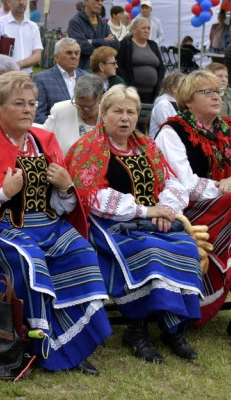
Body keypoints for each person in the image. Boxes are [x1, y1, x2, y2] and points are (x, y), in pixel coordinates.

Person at [0, 72, 111, 374]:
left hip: (47, 224)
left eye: (32, 103)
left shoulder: (43, 140)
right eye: (18, 103)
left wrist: (66, 186)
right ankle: (36, 343)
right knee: (30, 261)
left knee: (83, 253)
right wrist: (2, 193)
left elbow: (60, 205)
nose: (27, 110)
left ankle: (71, 343)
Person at [67, 85, 204, 362]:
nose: (125, 118)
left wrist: (165, 209)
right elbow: (91, 195)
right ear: (103, 114)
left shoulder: (146, 146)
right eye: (117, 111)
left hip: (154, 220)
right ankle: (136, 328)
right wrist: (144, 211)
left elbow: (172, 181)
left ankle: (172, 326)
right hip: (108, 224)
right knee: (149, 252)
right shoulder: (89, 148)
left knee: (186, 247)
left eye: (131, 112)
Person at [154, 71, 231, 349]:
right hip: (193, 214)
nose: (215, 96)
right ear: (188, 99)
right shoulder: (172, 131)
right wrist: (226, 188)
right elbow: (183, 184)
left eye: (218, 91)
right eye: (207, 92)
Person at [0, 0, 42, 72]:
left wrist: (17, 65)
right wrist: (9, 67)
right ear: (8, 1)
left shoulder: (33, 26)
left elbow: (37, 55)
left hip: (26, 76)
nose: (21, 2)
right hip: (5, 76)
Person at [43, 75, 104, 154]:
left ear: (100, 99)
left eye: (88, 108)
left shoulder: (107, 116)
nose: (82, 111)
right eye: (78, 105)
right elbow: (43, 139)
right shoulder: (60, 110)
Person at [34, 38, 86, 124]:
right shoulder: (42, 79)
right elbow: (38, 115)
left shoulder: (86, 78)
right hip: (54, 133)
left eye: (77, 53)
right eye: (69, 53)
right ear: (56, 57)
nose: (74, 56)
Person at [117, 15, 164, 104]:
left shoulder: (153, 45)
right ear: (134, 29)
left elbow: (161, 67)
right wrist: (127, 87)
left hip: (152, 93)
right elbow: (120, 66)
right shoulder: (126, 44)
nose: (146, 31)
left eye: (148, 28)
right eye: (143, 28)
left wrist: (159, 85)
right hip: (132, 92)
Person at [67, 0, 113, 70]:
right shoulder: (76, 22)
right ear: (86, 0)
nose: (100, 3)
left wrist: (93, 41)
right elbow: (82, 46)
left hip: (102, 71)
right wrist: (105, 42)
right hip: (83, 71)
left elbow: (115, 44)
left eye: (102, 0)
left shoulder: (103, 23)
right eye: (97, 0)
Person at [149, 71, 184, 137]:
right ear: (174, 89)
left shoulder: (179, 104)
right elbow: (168, 129)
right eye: (184, 84)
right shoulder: (163, 105)